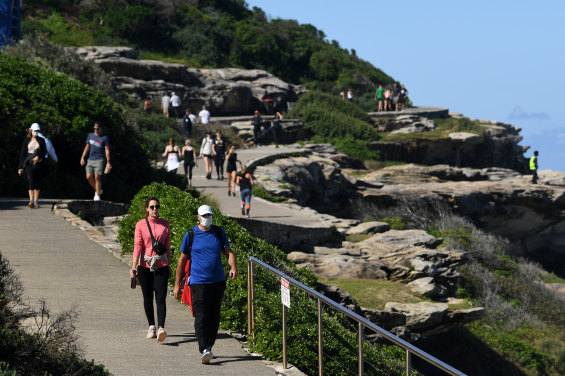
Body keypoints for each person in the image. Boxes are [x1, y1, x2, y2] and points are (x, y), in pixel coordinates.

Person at [173, 205, 237, 364]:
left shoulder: (219, 232)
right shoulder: (191, 234)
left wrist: (233, 267)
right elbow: (181, 261)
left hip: (217, 282)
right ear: (198, 217)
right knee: (201, 316)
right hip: (198, 282)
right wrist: (177, 285)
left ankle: (209, 345)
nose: (207, 217)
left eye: (209, 215)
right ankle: (204, 349)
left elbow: (228, 252)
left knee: (214, 317)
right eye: (204, 215)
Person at [130, 197, 171, 343]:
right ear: (147, 208)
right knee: (147, 297)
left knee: (161, 298)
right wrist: (134, 266)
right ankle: (151, 326)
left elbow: (167, 247)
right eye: (152, 207)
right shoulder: (140, 224)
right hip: (144, 266)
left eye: (157, 206)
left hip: (161, 266)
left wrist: (169, 265)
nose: (155, 209)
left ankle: (161, 328)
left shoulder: (165, 224)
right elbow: (137, 245)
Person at [18, 123, 47, 209]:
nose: (36, 132)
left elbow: (44, 152)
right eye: (35, 131)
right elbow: (22, 154)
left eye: (38, 131)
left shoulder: (42, 140)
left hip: (39, 163)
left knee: (38, 182)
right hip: (28, 163)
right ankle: (31, 201)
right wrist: (20, 167)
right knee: (31, 181)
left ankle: (36, 201)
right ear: (31, 130)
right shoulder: (26, 141)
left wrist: (38, 157)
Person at [80, 122, 111, 201]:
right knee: (88, 177)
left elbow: (107, 150)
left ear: (101, 128)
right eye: (95, 128)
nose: (96, 130)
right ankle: (98, 190)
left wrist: (108, 161)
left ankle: (97, 195)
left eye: (97, 128)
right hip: (90, 159)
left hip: (100, 159)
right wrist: (82, 157)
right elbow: (87, 147)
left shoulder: (105, 137)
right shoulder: (90, 136)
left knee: (97, 177)